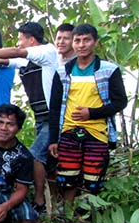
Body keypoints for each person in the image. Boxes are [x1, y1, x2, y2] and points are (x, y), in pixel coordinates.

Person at [0, 22, 58, 215]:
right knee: (52, 160)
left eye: (21, 39)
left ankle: (39, 200)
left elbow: (15, 52)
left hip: (53, 117)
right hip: (41, 118)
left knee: (35, 156)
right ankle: (55, 199)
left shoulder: (47, 51)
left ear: (31, 39)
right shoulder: (26, 60)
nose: (18, 43)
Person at [48, 24, 127, 204]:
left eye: (86, 40)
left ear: (95, 42)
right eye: (77, 40)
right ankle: (68, 217)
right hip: (68, 132)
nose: (81, 45)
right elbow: (54, 108)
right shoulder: (62, 72)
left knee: (94, 180)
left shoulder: (109, 70)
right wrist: (53, 139)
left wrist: (91, 113)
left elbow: (120, 102)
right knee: (67, 179)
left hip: (97, 133)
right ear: (73, 43)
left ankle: (91, 219)